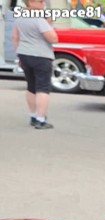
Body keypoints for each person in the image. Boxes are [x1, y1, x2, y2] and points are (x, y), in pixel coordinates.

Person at [12, 0, 57, 129]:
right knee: (43, 88)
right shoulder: (39, 19)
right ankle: (40, 119)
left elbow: (15, 37)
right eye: (40, 1)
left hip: (24, 54)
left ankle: (33, 116)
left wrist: (18, 54)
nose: (43, 3)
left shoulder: (20, 17)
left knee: (31, 87)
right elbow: (53, 38)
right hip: (41, 56)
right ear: (31, 3)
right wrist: (50, 25)